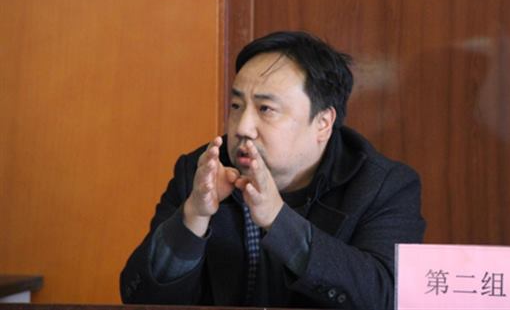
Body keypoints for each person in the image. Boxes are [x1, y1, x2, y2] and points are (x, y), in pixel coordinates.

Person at [120, 31, 425, 310]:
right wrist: (193, 216)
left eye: (265, 109)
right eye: (236, 106)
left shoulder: (383, 186)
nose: (243, 127)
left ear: (323, 123)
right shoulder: (203, 172)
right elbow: (140, 299)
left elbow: (387, 297)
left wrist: (279, 221)